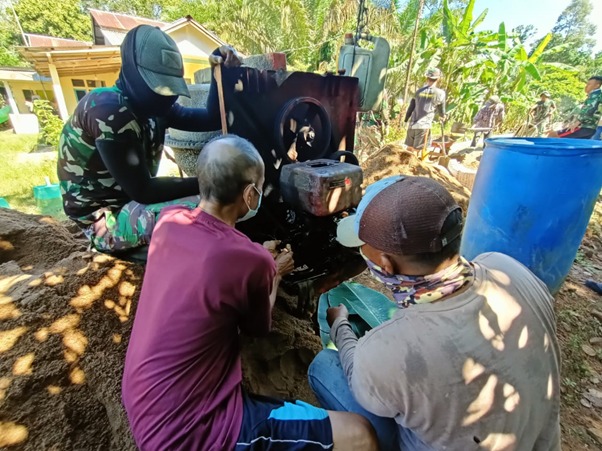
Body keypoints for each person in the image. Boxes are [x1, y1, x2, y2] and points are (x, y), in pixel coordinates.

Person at [122, 135, 378, 451]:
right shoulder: (251, 260)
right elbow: (258, 328)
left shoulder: (169, 221)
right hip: (193, 433)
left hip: (144, 404)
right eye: (258, 188)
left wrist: (255, 258)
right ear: (249, 194)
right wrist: (274, 273)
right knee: (361, 434)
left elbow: (215, 256)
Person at [308, 175, 561, 451]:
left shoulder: (392, 348)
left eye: (363, 247)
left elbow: (356, 372)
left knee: (324, 367)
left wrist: (340, 325)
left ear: (385, 263)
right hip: (537, 441)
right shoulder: (507, 270)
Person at [57, 25, 242, 253]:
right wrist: (214, 182)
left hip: (132, 202)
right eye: (160, 89)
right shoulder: (108, 111)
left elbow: (211, 119)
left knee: (219, 199)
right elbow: (144, 190)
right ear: (132, 73)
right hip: (105, 220)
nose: (169, 98)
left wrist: (218, 70)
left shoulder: (153, 106)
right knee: (212, 204)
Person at [404, 68, 446, 155]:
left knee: (409, 148)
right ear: (438, 79)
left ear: (427, 78)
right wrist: (442, 116)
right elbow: (441, 109)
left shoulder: (418, 92)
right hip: (424, 125)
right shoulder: (440, 93)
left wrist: (406, 119)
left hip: (412, 124)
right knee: (417, 150)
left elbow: (411, 107)